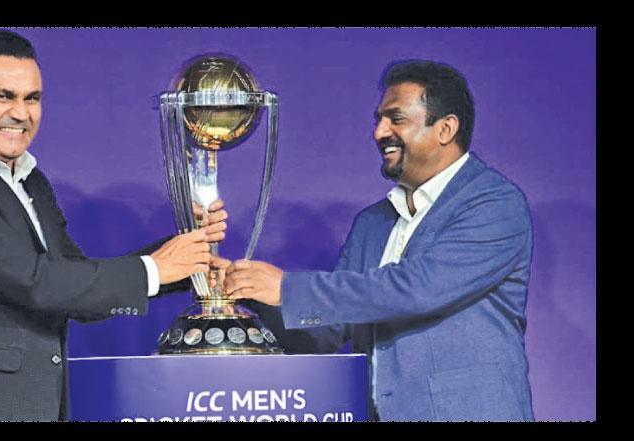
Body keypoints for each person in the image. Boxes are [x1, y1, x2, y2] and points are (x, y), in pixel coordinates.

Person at [0, 29, 228, 421]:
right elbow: (36, 282)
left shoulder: (31, 181)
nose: (21, 113)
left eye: (32, 98)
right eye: (3, 96)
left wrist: (184, 260)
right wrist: (156, 268)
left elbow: (73, 282)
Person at [223, 60, 534, 421]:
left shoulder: (495, 203)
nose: (378, 132)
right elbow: (327, 332)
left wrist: (286, 288)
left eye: (395, 118)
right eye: (378, 119)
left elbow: (418, 288)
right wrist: (246, 287)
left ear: (446, 128)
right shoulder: (371, 224)